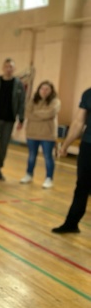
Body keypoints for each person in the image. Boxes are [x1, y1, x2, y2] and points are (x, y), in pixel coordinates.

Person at [52, 87, 91, 234]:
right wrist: (65, 145)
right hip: (88, 146)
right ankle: (71, 223)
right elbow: (78, 122)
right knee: (82, 186)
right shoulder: (88, 94)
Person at [19, 81, 61, 188]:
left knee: (48, 157)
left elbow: (50, 113)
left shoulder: (55, 102)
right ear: (38, 90)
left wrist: (36, 113)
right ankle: (29, 174)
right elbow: (27, 113)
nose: (44, 91)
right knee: (32, 155)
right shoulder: (32, 101)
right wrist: (42, 114)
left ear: (51, 91)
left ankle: (49, 178)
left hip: (48, 135)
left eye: (47, 89)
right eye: (42, 89)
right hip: (32, 133)